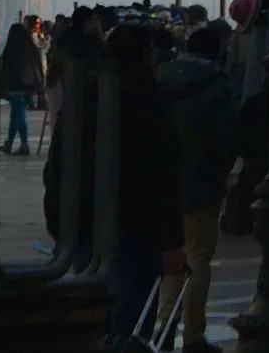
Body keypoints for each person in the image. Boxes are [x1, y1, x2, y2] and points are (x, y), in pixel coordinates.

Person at [158, 24, 237, 353]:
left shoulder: (160, 78)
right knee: (198, 258)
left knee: (169, 258)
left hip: (162, 183)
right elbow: (227, 138)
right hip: (202, 183)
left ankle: (163, 327)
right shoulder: (219, 85)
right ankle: (192, 334)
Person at [104, 24, 180, 345]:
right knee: (134, 315)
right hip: (140, 223)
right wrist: (173, 239)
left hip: (91, 223)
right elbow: (164, 173)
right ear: (147, 55)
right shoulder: (153, 102)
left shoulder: (90, 96)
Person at [0, 15, 45, 156]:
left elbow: (4, 70)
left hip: (15, 85)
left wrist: (1, 87)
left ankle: (24, 143)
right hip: (30, 86)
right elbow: (39, 67)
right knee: (16, 114)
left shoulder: (10, 50)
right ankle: (9, 142)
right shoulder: (32, 49)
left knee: (19, 115)